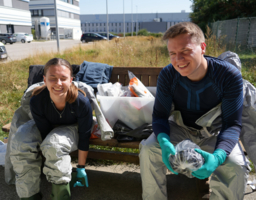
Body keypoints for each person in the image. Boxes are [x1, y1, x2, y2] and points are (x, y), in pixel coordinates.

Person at [139, 22, 250, 200]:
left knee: (236, 165)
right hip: (180, 128)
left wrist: (218, 157)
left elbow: (232, 125)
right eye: (172, 54)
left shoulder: (228, 76)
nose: (178, 60)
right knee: (149, 150)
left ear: (202, 47)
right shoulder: (168, 75)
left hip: (215, 132)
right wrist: (165, 143)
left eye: (185, 51)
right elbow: (160, 116)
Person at [9, 58, 93, 200]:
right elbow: (44, 131)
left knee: (54, 145)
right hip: (48, 126)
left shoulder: (81, 102)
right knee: (20, 142)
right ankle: (29, 195)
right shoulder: (37, 100)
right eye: (52, 78)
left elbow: (84, 135)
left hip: (72, 127)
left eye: (63, 78)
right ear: (45, 79)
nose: (58, 83)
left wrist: (81, 167)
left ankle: (60, 196)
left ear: (71, 80)